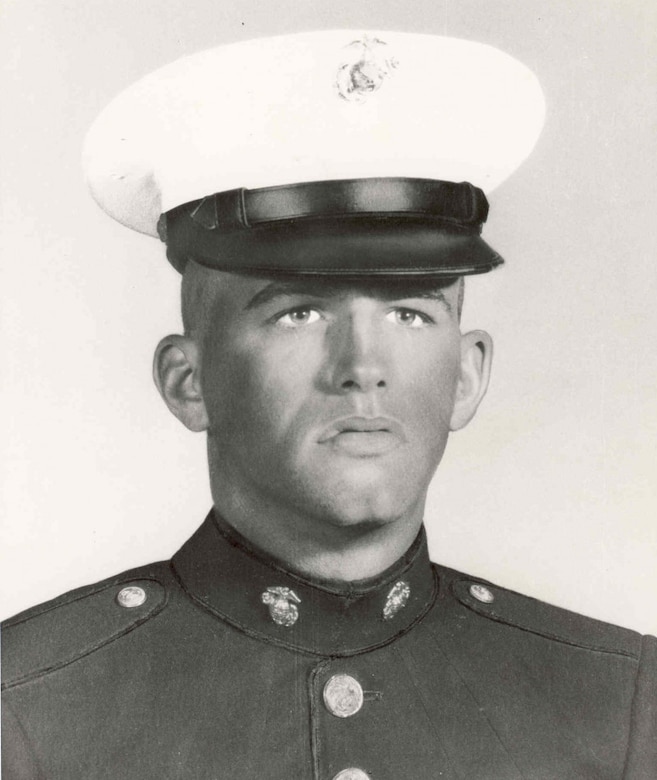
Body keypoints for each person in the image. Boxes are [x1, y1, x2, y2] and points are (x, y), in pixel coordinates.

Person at [2, 30, 655, 780]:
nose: (362, 368)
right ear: (189, 381)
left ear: (468, 376)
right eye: (300, 313)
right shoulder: (29, 708)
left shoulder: (620, 708)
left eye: (409, 313)